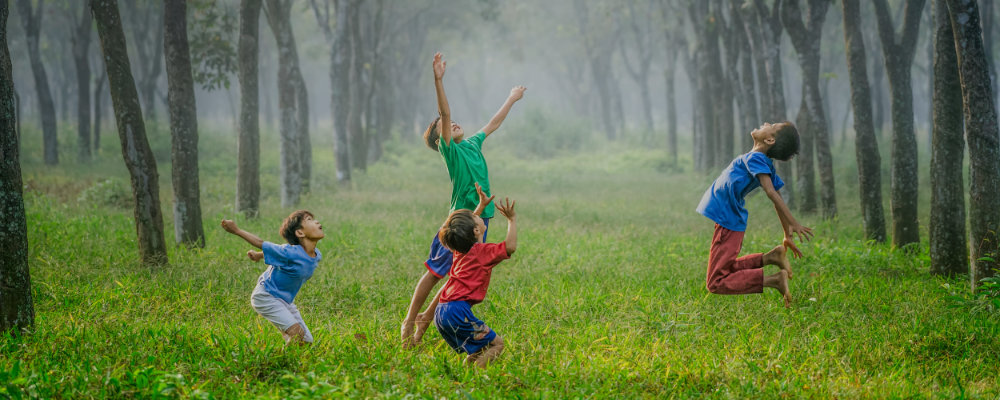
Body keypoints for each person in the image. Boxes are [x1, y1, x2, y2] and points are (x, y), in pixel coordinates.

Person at [400, 52, 526, 347]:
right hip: (459, 222)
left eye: (454, 122)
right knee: (435, 273)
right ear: (438, 140)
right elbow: (444, 113)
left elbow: (493, 123)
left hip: (480, 220)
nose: (452, 123)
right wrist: (438, 80)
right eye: (444, 126)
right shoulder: (451, 151)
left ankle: (421, 329)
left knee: (458, 275)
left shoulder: (471, 143)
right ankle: (410, 321)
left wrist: (511, 98)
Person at [695, 121, 813, 307]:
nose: (766, 123)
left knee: (716, 282)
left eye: (771, 125)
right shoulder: (761, 161)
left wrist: (793, 222)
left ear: (769, 139)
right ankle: (771, 257)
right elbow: (777, 196)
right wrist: (786, 233)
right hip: (728, 219)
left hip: (728, 220)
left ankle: (774, 280)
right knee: (725, 269)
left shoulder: (757, 159)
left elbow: (772, 193)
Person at [434, 190, 517, 368]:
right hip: (457, 312)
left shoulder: (460, 250)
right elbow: (510, 246)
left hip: (441, 311)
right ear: (476, 230)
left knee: (479, 349)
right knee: (497, 344)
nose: (477, 216)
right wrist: (511, 220)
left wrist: (481, 206)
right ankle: (478, 376)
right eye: (476, 217)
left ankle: (466, 374)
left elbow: (466, 228)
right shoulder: (483, 253)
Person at [221, 211, 324, 343]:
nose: (316, 222)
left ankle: (289, 343)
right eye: (309, 220)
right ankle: (279, 361)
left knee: (306, 341)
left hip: (285, 301)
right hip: (266, 296)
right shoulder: (290, 252)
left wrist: (258, 255)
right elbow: (261, 243)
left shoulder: (316, 255)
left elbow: (278, 254)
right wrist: (236, 230)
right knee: (297, 335)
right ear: (300, 233)